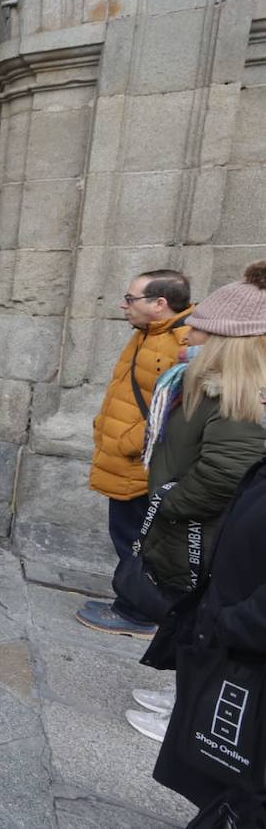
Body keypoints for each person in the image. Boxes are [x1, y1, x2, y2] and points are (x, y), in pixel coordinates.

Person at [115, 261, 266, 743]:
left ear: (227, 338)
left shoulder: (237, 399)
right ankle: (184, 695)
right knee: (192, 615)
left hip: (207, 532)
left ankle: (189, 717)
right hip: (193, 527)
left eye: (201, 325)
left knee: (208, 620)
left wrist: (171, 502)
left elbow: (224, 474)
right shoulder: (203, 381)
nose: (190, 329)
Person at [78, 269, 194, 638]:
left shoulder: (183, 342)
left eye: (131, 298)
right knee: (128, 534)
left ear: (159, 304)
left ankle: (137, 612)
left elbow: (181, 408)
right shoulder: (148, 334)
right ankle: (131, 603)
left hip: (140, 464)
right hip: (126, 458)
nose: (123, 304)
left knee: (136, 538)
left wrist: (128, 441)